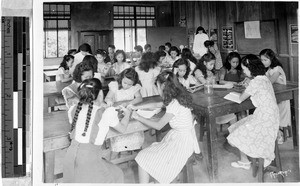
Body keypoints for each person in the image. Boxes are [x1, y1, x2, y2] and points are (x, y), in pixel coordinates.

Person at [132, 71, 200, 183]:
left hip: (181, 144)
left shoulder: (174, 104)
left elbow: (158, 126)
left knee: (142, 157)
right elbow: (158, 104)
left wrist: (138, 116)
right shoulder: (178, 97)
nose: (157, 89)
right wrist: (136, 106)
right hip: (181, 137)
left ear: (163, 86)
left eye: (157, 87)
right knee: (150, 154)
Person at [63, 78, 129, 183]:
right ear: (100, 94)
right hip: (89, 160)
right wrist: (128, 114)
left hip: (70, 158)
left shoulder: (73, 109)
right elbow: (122, 129)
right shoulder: (106, 113)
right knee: (117, 175)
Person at [226, 54, 280, 169]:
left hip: (263, 119)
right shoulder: (264, 78)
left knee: (236, 133)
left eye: (245, 69)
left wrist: (246, 87)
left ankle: (245, 161)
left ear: (251, 68)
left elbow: (241, 98)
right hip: (272, 117)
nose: (244, 72)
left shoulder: (255, 82)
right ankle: (245, 159)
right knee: (240, 125)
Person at [104, 68, 144, 155]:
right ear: (121, 78)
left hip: (129, 113)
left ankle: (135, 148)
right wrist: (109, 100)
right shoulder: (114, 85)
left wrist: (129, 103)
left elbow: (139, 98)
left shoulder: (134, 87)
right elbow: (107, 98)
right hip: (118, 115)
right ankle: (119, 149)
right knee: (119, 134)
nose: (126, 86)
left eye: (129, 84)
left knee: (134, 130)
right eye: (125, 83)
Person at [259, 49, 291, 144]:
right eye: (261, 60)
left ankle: (278, 135)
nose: (262, 62)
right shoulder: (268, 69)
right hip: (274, 96)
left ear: (271, 59)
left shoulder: (277, 68)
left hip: (282, 98)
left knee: (268, 111)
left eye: (265, 60)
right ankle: (273, 133)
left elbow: (270, 81)